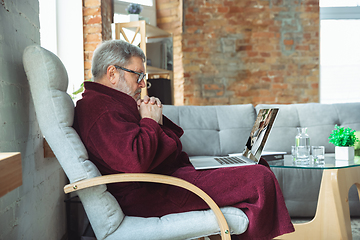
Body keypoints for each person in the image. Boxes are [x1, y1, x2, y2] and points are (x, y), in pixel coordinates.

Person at [73, 40, 294, 240]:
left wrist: (153, 120)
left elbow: (167, 144)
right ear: (112, 73)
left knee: (257, 166)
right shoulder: (99, 110)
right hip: (150, 192)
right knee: (259, 177)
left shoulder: (112, 104)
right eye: (138, 75)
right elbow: (135, 162)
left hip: (163, 179)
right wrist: (150, 122)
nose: (143, 84)